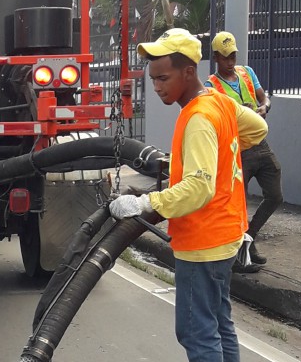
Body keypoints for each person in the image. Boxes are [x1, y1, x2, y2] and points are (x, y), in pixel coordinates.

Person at [109, 28, 268, 362]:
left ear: (189, 71)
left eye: (163, 78)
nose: (157, 86)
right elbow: (258, 128)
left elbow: (198, 187)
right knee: (220, 323)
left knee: (197, 331)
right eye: (153, 79)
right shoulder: (219, 103)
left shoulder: (198, 118)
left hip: (203, 242)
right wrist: (224, 148)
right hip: (227, 235)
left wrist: (143, 202)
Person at [206, 31, 283, 269]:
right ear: (217, 57)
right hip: (237, 151)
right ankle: (237, 254)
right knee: (238, 204)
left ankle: (250, 239)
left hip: (261, 145)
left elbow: (264, 98)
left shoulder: (247, 73)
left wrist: (264, 107)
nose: (231, 61)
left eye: (234, 56)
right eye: (226, 57)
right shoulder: (212, 86)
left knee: (275, 196)